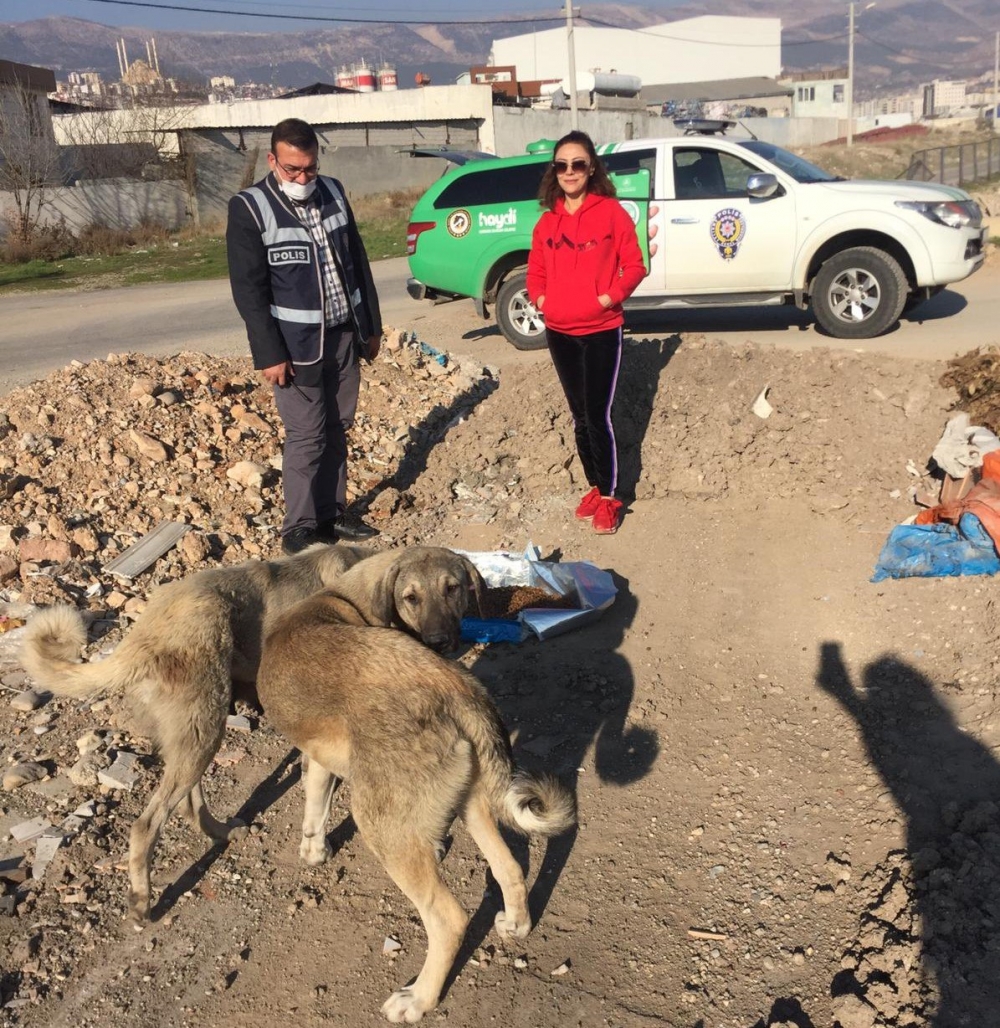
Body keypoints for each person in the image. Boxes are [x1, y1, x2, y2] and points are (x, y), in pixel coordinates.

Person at [226, 117, 382, 554]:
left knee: (338, 427)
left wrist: (371, 326)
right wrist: (268, 353)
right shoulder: (251, 207)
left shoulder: (332, 191)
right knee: (307, 434)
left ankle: (333, 516)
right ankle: (300, 527)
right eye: (292, 169)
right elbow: (249, 291)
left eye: (309, 168)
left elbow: (358, 261)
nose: (302, 178)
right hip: (295, 347)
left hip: (343, 335)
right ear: (273, 160)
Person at [526, 130, 646, 535]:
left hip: (600, 330)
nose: (570, 172)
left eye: (578, 164)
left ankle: (610, 497)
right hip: (559, 331)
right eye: (562, 165)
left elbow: (635, 265)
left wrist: (606, 299)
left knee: (598, 415)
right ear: (554, 171)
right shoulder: (546, 223)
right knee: (579, 417)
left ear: (591, 167)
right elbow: (535, 272)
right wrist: (543, 301)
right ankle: (595, 485)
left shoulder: (611, 213)